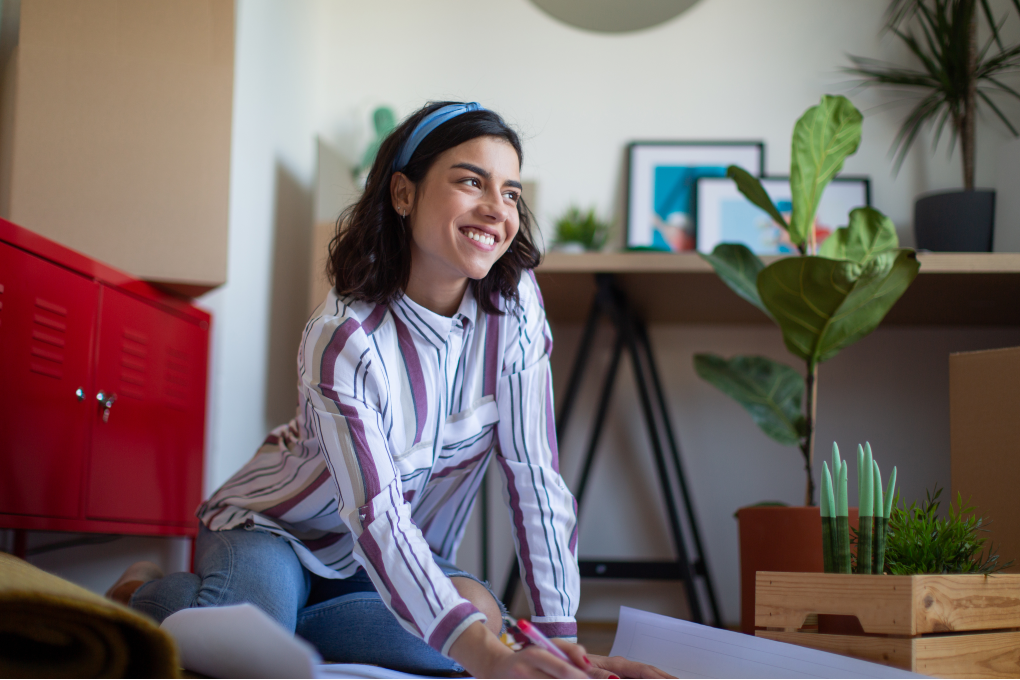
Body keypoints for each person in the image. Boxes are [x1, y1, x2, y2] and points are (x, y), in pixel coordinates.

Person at [108, 102, 670, 679]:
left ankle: (281, 623)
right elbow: (377, 516)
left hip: (376, 561)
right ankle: (148, 594)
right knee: (262, 650)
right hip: (280, 530)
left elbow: (534, 475)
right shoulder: (343, 337)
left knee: (475, 618)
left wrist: (558, 644)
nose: (495, 210)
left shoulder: (516, 304)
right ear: (403, 194)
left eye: (509, 193)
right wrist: (484, 654)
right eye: (470, 181)